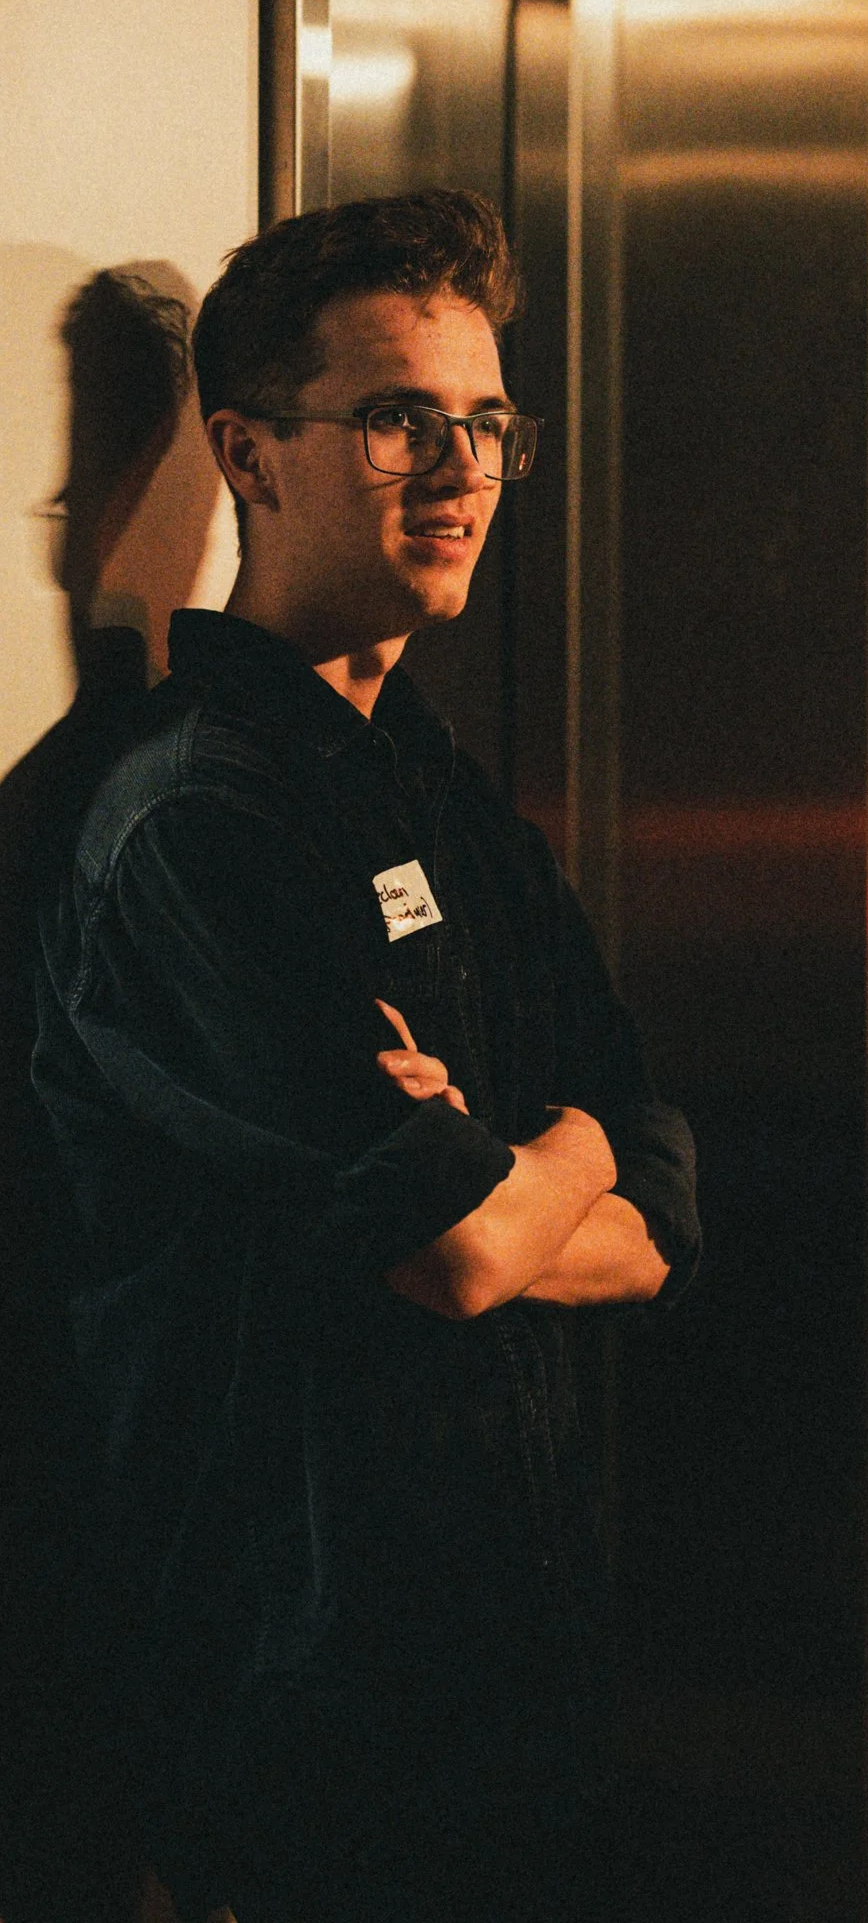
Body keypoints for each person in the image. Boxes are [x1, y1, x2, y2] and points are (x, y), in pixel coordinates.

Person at [31, 190, 701, 1923]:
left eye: (486, 422)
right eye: (402, 417)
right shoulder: (186, 819)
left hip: (513, 1643)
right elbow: (468, 1244)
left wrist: (524, 1157)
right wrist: (552, 1169)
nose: (462, 467)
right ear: (247, 455)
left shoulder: (439, 788)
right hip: (297, 1685)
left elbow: (665, 1185)